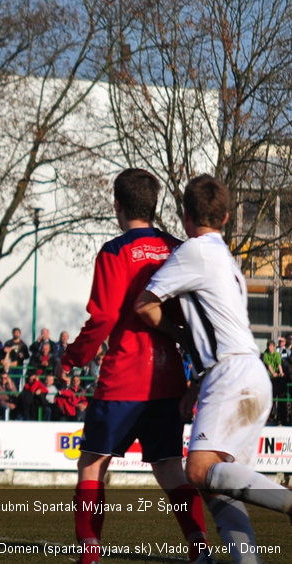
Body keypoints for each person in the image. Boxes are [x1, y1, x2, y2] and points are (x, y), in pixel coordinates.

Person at [135, 174, 292, 563]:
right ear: (225, 217)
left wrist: (177, 335)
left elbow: (144, 305)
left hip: (232, 376)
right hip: (247, 373)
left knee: (199, 469)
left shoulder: (195, 251)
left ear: (186, 216)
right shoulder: (226, 260)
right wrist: (196, 385)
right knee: (217, 485)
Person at [62, 168, 209, 564]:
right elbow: (192, 319)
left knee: (92, 463)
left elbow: (104, 317)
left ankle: (90, 553)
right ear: (154, 204)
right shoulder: (178, 248)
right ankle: (199, 547)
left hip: (123, 379)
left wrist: (74, 355)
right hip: (167, 380)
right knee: (168, 468)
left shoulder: (113, 251)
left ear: (118, 205)